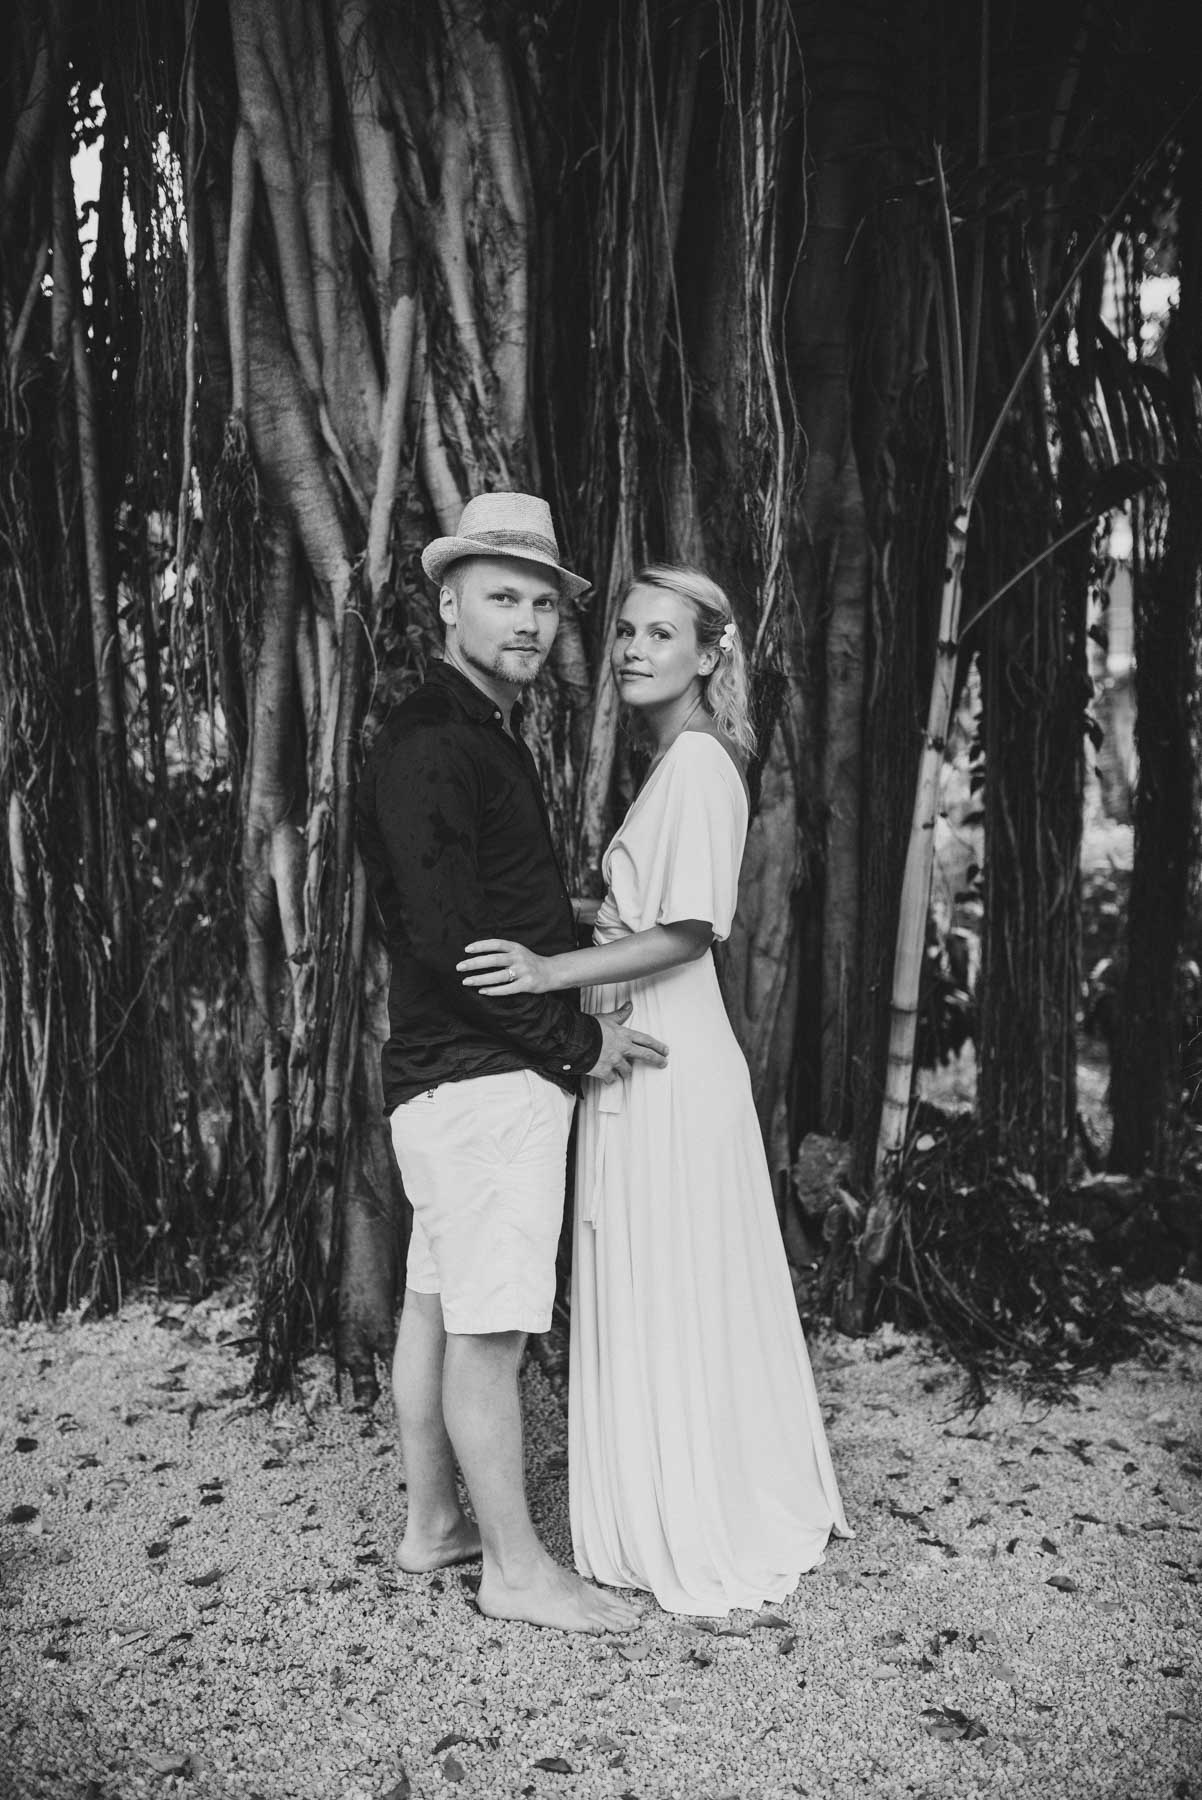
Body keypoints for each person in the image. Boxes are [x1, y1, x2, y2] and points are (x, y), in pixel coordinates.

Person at [458, 563, 851, 1616]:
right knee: (661, 1270)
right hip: (654, 1045)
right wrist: (575, 911)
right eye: (624, 630)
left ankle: (696, 1507)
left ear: (709, 654)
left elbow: (682, 932)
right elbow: (641, 913)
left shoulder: (699, 764)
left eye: (659, 633)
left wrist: (547, 973)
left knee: (667, 1271)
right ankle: (674, 1489)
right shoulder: (679, 761)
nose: (631, 648)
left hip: (668, 1058)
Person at [357, 492, 669, 1634]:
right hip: (479, 1083)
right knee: (489, 1334)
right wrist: (580, 1043)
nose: (529, 621)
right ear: (448, 604)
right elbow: (452, 949)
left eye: (543, 601)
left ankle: (433, 1526)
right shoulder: (438, 742)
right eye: (503, 597)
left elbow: (479, 918)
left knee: (437, 1315)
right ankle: (515, 1572)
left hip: (449, 1081)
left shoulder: (467, 733)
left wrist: (578, 923)